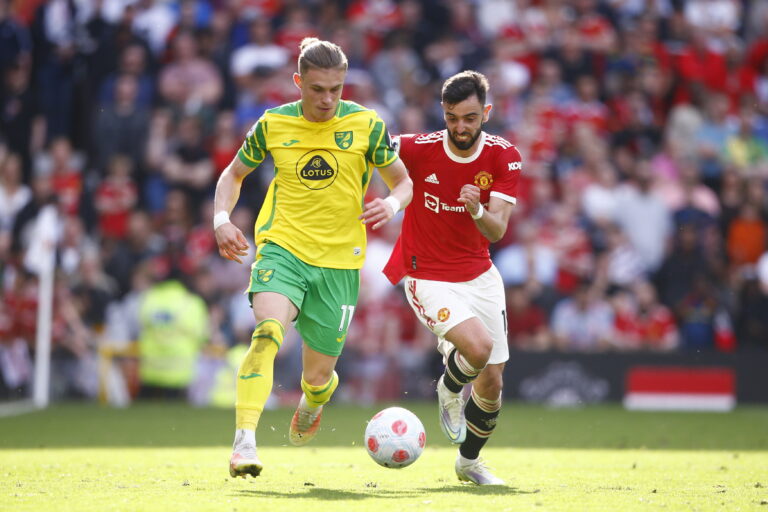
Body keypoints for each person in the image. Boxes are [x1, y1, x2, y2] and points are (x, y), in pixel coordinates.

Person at [213, 37, 412, 479]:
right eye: (317, 89)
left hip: (340, 262)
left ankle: (312, 401)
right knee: (266, 333)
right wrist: (221, 218)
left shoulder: (367, 124)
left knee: (318, 377)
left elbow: (403, 182)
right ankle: (244, 441)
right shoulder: (272, 123)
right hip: (283, 248)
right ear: (299, 82)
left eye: (336, 89)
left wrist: (392, 205)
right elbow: (233, 174)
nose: (327, 99)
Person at [383, 70, 521, 485]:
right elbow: (368, 150)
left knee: (493, 382)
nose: (461, 127)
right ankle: (448, 387)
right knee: (478, 348)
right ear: (442, 113)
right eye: (452, 117)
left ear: (487, 113)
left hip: (479, 275)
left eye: (470, 118)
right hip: (425, 273)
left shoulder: (504, 156)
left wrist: (477, 209)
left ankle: (468, 463)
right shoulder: (416, 148)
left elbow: (498, 231)